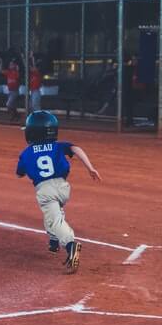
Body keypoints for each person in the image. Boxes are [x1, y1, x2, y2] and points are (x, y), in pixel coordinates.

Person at [16, 111, 102, 274]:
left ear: (31, 132)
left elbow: (19, 172)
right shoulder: (58, 145)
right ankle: (54, 242)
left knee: (55, 220)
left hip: (45, 190)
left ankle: (71, 246)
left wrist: (24, 169)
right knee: (53, 215)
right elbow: (76, 148)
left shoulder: (26, 153)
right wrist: (90, 168)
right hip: (63, 188)